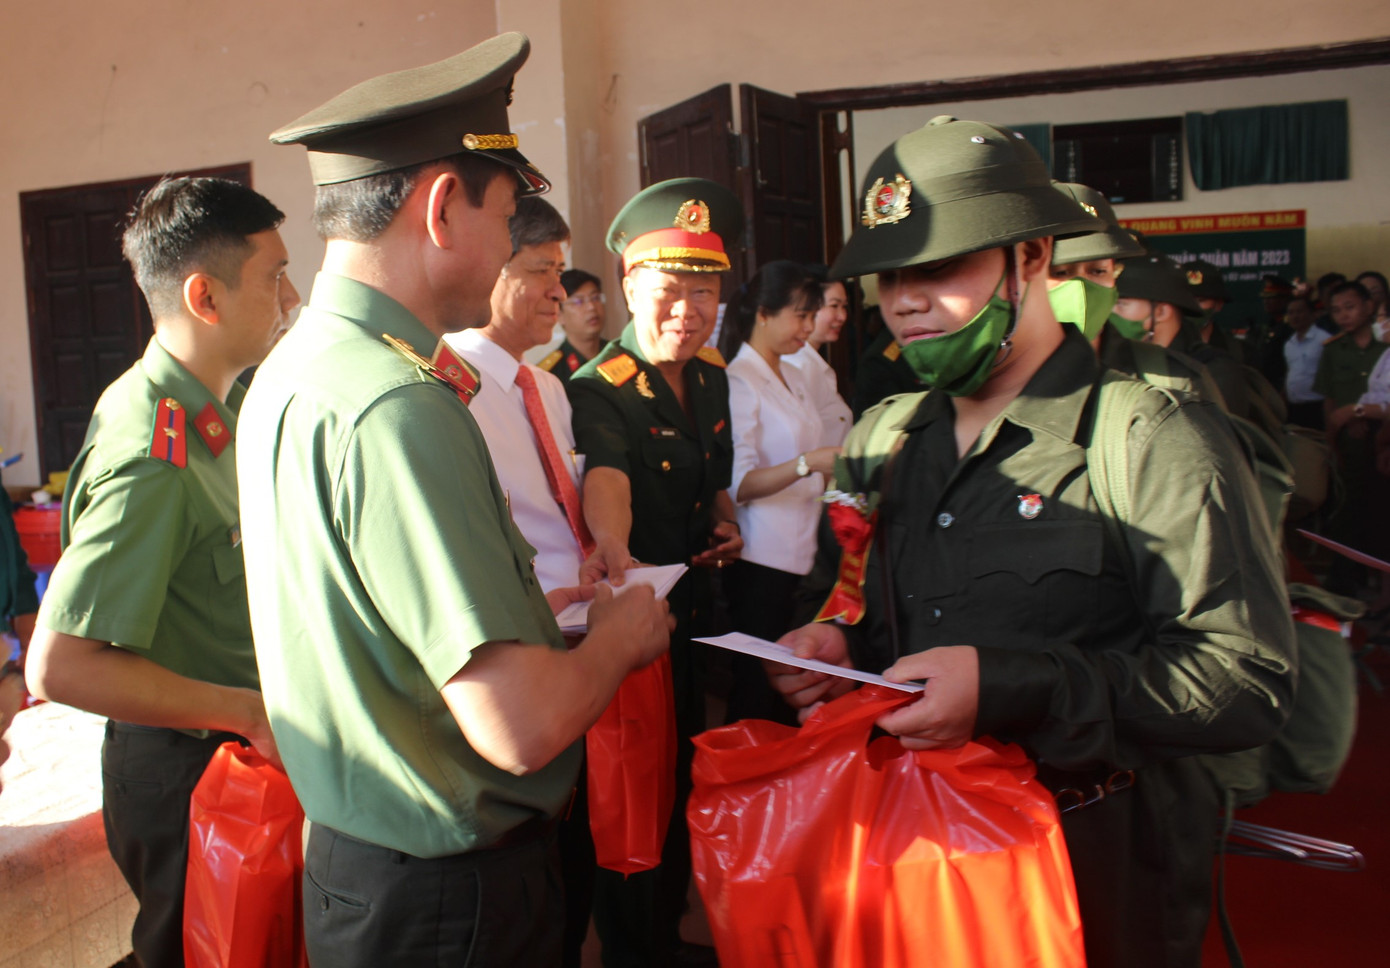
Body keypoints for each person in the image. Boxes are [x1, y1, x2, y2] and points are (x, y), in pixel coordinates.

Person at [770, 115, 1294, 968]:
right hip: (918, 864)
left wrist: (1018, 685)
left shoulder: (1150, 436)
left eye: (940, 267)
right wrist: (830, 641)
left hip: (1093, 876)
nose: (904, 299)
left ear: (1033, 257)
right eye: (889, 273)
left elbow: (1245, 680)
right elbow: (847, 593)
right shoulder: (883, 436)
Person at [240, 34, 671, 967]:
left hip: (363, 865)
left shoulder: (295, 370)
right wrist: (618, 641)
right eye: (506, 212)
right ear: (442, 207)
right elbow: (517, 726)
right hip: (450, 898)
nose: (512, 247)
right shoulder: (401, 404)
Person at [24, 175, 297, 967]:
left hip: (228, 756)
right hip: (189, 775)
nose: (293, 293)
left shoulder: (218, 407)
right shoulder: (155, 447)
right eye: (274, 274)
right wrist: (247, 713)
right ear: (205, 297)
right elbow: (62, 662)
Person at [567, 176, 745, 968]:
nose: (689, 311)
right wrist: (616, 547)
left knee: (682, 778)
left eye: (704, 293)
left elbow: (712, 479)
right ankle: (634, 946)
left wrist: (725, 521)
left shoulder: (709, 375)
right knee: (631, 790)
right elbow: (606, 477)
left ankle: (670, 927)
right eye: (671, 292)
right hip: (636, 623)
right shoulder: (597, 389)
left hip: (696, 615)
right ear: (630, 287)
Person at [441, 195, 597, 968]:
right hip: (516, 652)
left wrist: (596, 552)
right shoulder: (445, 386)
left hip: (578, 637)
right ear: (492, 266)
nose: (557, 293)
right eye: (540, 270)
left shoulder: (550, 390)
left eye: (561, 274)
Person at [722, 260, 839, 724]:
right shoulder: (740, 380)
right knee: (757, 693)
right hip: (763, 561)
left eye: (813, 317)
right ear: (764, 314)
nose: (808, 328)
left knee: (798, 691)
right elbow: (740, 485)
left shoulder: (793, 373)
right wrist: (809, 463)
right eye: (800, 315)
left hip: (805, 554)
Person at [1316, 281, 1388, 595]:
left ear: (1369, 306)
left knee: (1381, 512)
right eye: (1336, 310)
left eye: (1351, 307)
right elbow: (1330, 399)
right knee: (1347, 508)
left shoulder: (1385, 345)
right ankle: (1346, 581)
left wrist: (1360, 413)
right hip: (1346, 441)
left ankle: (1378, 583)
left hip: (1383, 438)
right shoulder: (1333, 350)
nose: (1344, 315)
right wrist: (1333, 438)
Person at [783, 264, 853, 447]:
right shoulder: (800, 364)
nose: (842, 316)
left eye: (844, 306)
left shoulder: (811, 361)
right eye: (834, 306)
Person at [540, 268, 609, 382]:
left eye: (595, 298)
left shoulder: (619, 355)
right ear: (559, 314)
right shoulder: (550, 374)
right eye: (579, 301)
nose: (591, 307)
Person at [1283, 294, 1326, 429]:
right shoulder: (1289, 343)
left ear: (1312, 314)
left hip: (1317, 406)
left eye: (1300, 312)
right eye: (1291, 313)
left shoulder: (1324, 340)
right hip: (1294, 407)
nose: (1295, 316)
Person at [1354, 270, 1389, 341]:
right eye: (1364, 293)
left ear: (1385, 293)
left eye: (1374, 292)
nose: (1369, 296)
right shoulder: (1352, 323)